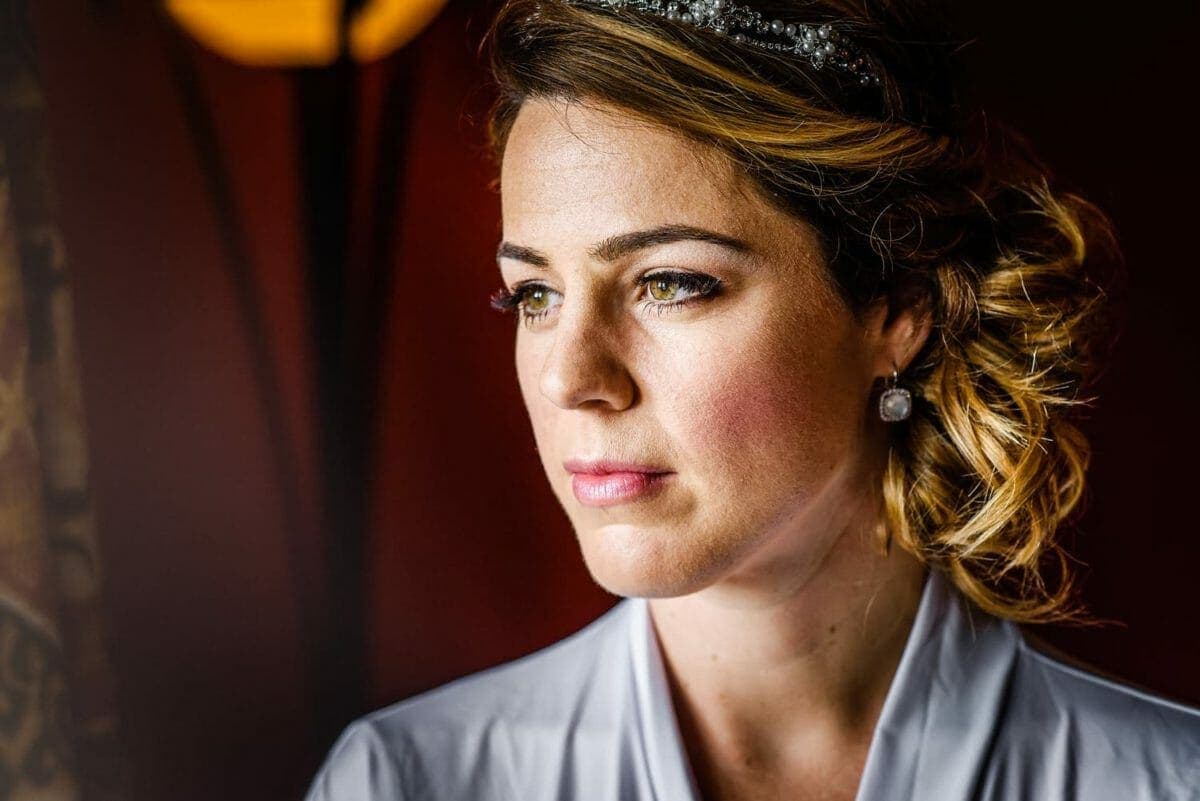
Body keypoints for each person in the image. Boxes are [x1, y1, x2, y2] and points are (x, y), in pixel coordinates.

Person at [304, 0, 1200, 798]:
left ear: (897, 307)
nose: (569, 377)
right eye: (533, 295)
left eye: (672, 283)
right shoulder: (407, 779)